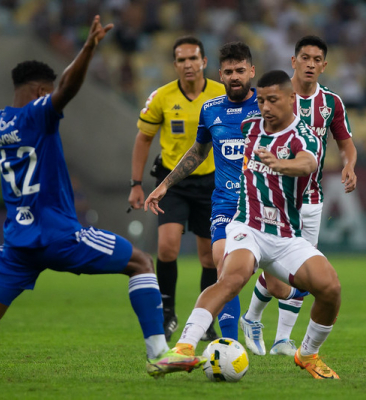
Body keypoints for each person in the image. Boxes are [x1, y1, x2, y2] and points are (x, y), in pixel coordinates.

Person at [0, 16, 204, 387]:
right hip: (57, 233)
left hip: (18, 240)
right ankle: (158, 355)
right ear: (41, 90)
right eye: (48, 92)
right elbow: (67, 90)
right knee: (141, 261)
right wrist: (88, 48)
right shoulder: (38, 114)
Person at [146, 70, 342, 380]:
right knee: (230, 278)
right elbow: (201, 149)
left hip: (285, 236)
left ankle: (307, 354)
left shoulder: (305, 136)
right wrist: (167, 184)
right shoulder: (249, 126)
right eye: (261, 100)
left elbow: (308, 163)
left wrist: (280, 165)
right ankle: (182, 349)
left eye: (272, 100)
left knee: (330, 288)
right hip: (246, 226)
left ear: (291, 99)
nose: (265, 107)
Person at [144, 42, 309, 341]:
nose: (235, 76)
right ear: (220, 74)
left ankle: (295, 288)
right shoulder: (210, 110)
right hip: (224, 205)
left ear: (252, 71)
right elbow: (197, 152)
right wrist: (165, 184)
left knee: (278, 287)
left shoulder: (266, 106)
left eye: (241, 70)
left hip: (262, 205)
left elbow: (296, 140)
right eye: (229, 71)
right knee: (223, 264)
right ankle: (230, 343)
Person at [241, 35, 357, 358]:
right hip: (273, 197)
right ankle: (253, 318)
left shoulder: (331, 104)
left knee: (302, 277)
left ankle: (279, 338)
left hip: (311, 199)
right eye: (304, 57)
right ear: (293, 62)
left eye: (316, 59)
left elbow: (346, 142)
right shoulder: (274, 95)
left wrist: (350, 165)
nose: (309, 64)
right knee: (273, 264)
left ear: (324, 65)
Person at [128, 36, 226, 342]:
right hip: (172, 181)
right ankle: (168, 312)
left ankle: (206, 317)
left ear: (204, 62)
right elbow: (143, 138)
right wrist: (136, 184)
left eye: (193, 58)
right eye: (181, 60)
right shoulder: (162, 96)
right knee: (167, 246)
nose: (188, 64)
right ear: (175, 65)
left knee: (209, 258)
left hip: (211, 182)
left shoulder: (222, 93)